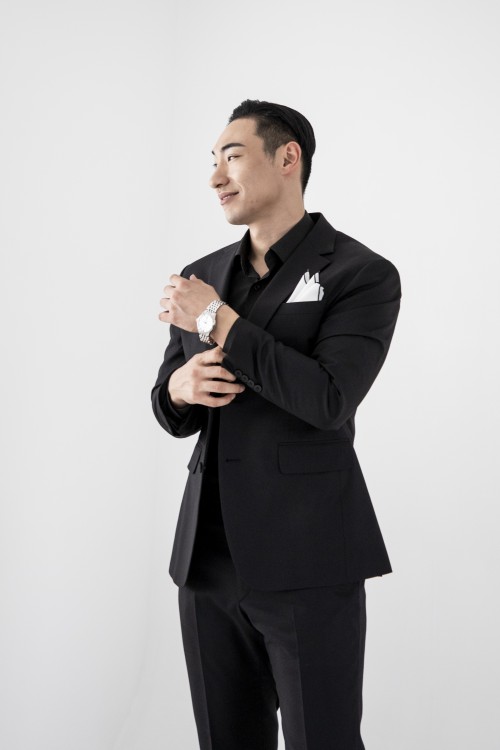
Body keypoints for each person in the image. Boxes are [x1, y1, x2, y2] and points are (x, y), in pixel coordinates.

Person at [151, 99, 402, 750]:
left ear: (288, 158)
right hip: (207, 562)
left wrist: (217, 322)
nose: (215, 177)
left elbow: (328, 399)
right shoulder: (202, 275)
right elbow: (170, 406)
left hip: (309, 556)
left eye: (232, 157)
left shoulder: (361, 274)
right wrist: (178, 389)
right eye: (212, 161)